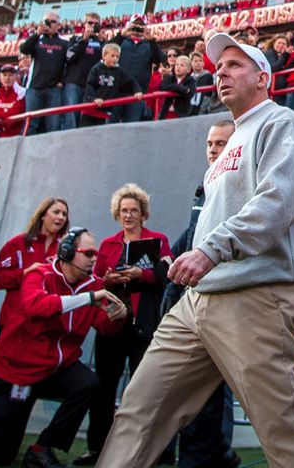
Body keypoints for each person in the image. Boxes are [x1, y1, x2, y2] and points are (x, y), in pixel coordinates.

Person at [96, 30, 294, 468]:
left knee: (281, 430)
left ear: (264, 78)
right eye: (219, 68)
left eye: (236, 65)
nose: (222, 74)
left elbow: (278, 203)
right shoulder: (231, 140)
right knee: (138, 411)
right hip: (198, 300)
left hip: (254, 295)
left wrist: (211, 249)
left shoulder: (281, 123)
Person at [0, 228, 128, 468]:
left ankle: (42, 449)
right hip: (18, 370)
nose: (95, 258)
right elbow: (35, 306)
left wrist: (118, 317)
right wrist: (89, 298)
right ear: (67, 252)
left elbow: (102, 326)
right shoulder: (39, 274)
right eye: (89, 252)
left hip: (56, 367)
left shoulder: (93, 285)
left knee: (89, 383)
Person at [159, 120, 239, 468]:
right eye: (210, 143)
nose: (212, 150)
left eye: (221, 143)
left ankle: (208, 457)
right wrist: (170, 261)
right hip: (189, 301)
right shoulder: (204, 187)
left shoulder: (238, 187)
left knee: (211, 392)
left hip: (221, 303)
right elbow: (192, 236)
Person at [77, 184, 172, 465]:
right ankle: (97, 449)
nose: (128, 215)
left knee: (145, 390)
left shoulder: (158, 240)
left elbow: (166, 273)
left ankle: (148, 451)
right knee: (103, 389)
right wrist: (107, 280)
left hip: (144, 325)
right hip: (112, 323)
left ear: (143, 214)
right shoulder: (107, 244)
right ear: (117, 215)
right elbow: (94, 280)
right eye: (123, 211)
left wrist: (139, 274)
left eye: (133, 211)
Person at [0, 197, 69, 328]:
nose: (61, 217)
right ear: (43, 215)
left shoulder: (65, 249)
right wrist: (25, 273)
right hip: (14, 320)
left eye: (64, 214)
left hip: (45, 323)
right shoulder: (18, 243)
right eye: (56, 212)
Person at [19, 12, 68, 134]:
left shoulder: (64, 43)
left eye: (52, 22)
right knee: (30, 124)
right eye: (47, 21)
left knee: (54, 124)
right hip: (35, 87)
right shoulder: (37, 40)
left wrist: (62, 81)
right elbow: (24, 49)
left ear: (59, 25)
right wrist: (37, 33)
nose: (49, 24)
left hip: (54, 88)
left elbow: (70, 65)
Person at [111, 16, 163, 123]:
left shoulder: (149, 45)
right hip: (117, 90)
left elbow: (160, 59)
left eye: (141, 25)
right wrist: (121, 35)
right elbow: (106, 50)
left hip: (137, 92)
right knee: (110, 124)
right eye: (135, 25)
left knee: (131, 125)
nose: (138, 28)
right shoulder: (123, 41)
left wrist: (151, 40)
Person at [81, 43, 144, 126]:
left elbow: (131, 81)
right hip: (90, 109)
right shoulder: (96, 69)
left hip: (104, 111)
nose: (115, 59)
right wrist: (93, 99)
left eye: (117, 57)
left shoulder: (118, 71)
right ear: (104, 56)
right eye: (112, 56)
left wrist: (137, 91)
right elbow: (90, 85)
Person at [62, 13, 104, 130]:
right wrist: (83, 40)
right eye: (90, 23)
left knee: (86, 122)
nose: (92, 26)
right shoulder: (75, 39)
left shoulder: (101, 43)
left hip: (91, 87)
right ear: (85, 24)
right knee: (71, 119)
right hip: (73, 84)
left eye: (96, 24)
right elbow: (69, 57)